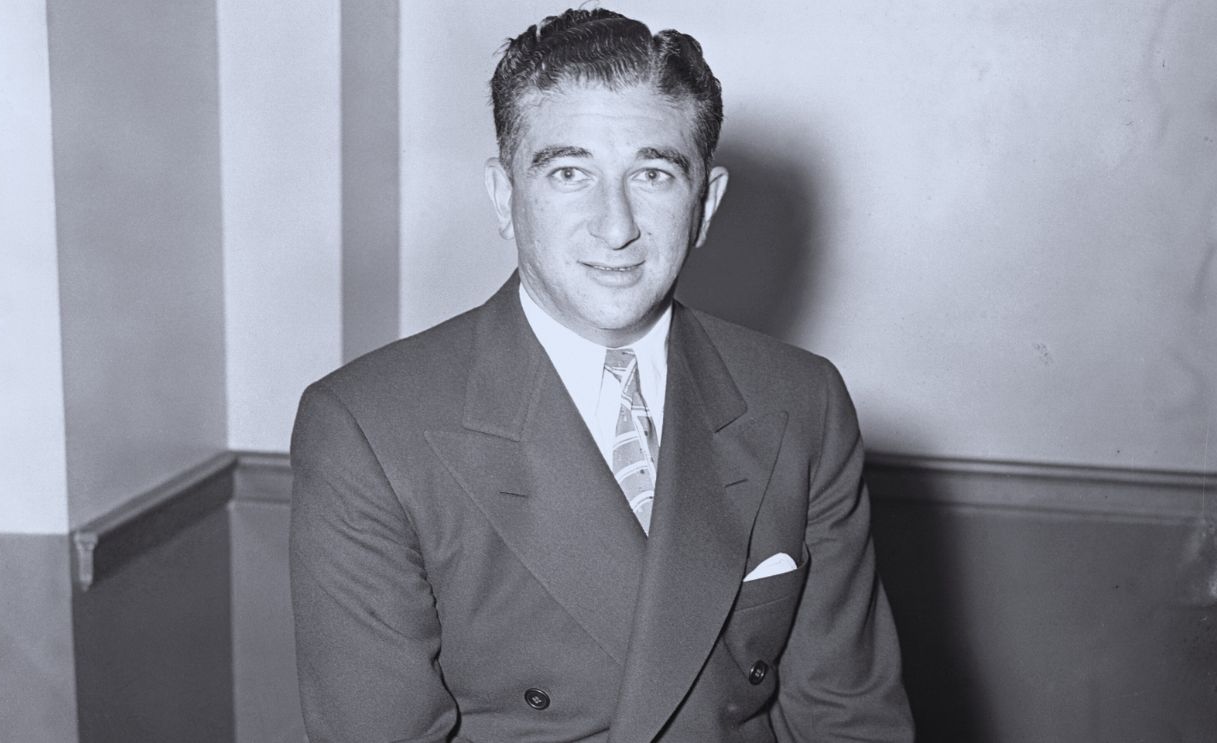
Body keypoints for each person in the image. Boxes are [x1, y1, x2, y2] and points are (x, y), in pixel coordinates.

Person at [289, 8, 913, 742]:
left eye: (651, 173)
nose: (614, 224)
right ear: (503, 195)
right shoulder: (368, 426)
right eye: (568, 172)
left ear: (704, 204)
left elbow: (848, 715)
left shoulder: (800, 399)